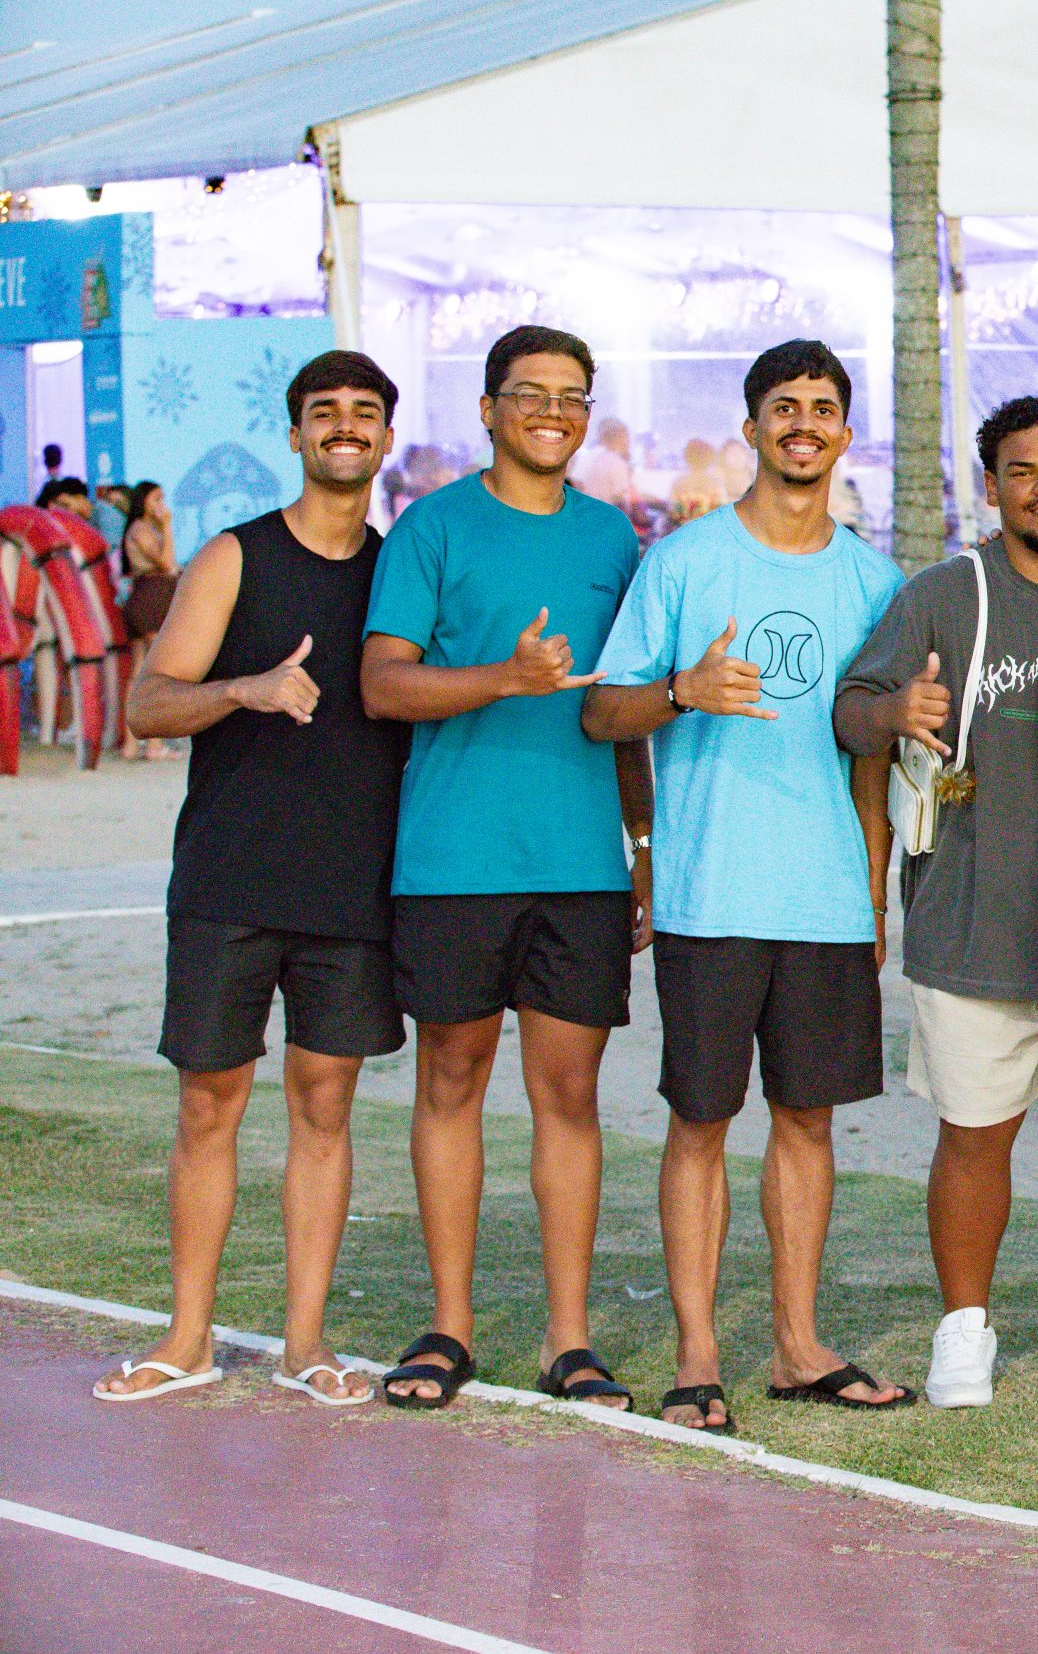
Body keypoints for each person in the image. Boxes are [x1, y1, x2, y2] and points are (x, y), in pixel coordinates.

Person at [584, 341, 912, 1433]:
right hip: (710, 891)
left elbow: (872, 761)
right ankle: (697, 1356)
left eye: (822, 407)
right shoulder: (685, 562)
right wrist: (682, 689)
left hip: (824, 897)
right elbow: (604, 711)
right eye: (784, 406)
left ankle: (797, 1346)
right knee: (700, 1121)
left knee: (808, 1121)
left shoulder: (874, 583)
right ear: (753, 426)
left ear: (844, 433)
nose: (803, 423)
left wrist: (872, 895)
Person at [93, 350, 412, 1407]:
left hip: (352, 889)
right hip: (228, 879)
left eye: (363, 412)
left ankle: (303, 1344)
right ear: (295, 433)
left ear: (385, 436)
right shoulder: (234, 556)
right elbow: (148, 703)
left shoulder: (402, 573)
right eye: (325, 411)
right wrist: (248, 688)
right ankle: (187, 1337)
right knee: (208, 1106)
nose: (344, 426)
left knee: (325, 1109)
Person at [835, 393, 1038, 1410]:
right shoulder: (944, 592)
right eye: (1022, 470)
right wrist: (897, 709)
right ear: (990, 485)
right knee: (976, 1135)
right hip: (976, 912)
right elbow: (851, 712)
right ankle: (965, 1326)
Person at [360, 324, 650, 1414]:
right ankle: (450, 1327)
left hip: (579, 865)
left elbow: (623, 709)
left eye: (573, 396)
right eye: (531, 393)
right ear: (488, 409)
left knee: (569, 1095)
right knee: (451, 1082)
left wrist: (642, 846)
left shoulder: (612, 537)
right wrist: (505, 678)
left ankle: (568, 1341)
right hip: (455, 859)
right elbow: (384, 685)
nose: (553, 412)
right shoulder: (431, 527)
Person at [119, 480, 180, 761]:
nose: (161, 505)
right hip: (149, 600)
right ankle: (153, 744)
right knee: (155, 672)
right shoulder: (142, 529)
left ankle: (131, 745)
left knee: (138, 673)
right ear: (143, 501)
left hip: (148, 597)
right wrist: (167, 526)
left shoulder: (142, 528)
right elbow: (167, 563)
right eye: (156, 499)